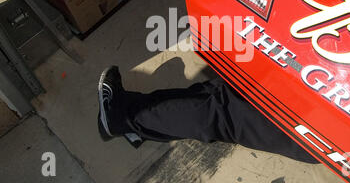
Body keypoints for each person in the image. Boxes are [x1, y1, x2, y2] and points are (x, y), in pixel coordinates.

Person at [97, 66, 318, 163]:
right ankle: (139, 124)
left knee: (225, 109)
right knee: (226, 90)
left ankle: (122, 116)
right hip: (337, 134)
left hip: (327, 124)